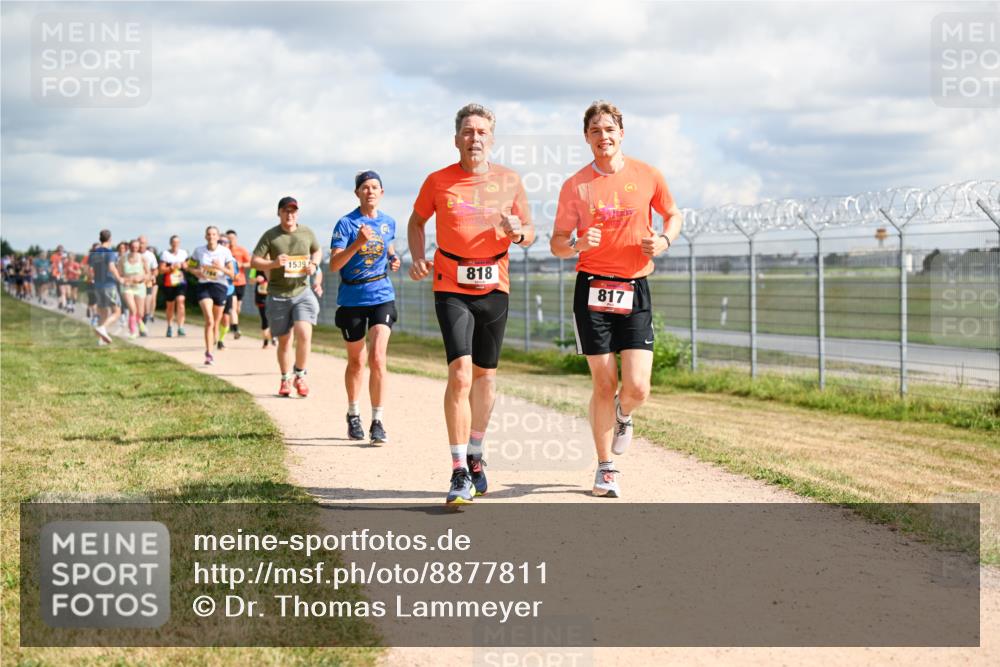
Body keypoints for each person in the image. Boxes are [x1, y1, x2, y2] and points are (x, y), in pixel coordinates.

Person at [550, 100, 682, 498]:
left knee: (638, 387)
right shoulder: (576, 186)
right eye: (595, 130)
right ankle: (606, 468)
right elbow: (556, 243)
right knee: (604, 382)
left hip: (634, 286)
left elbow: (673, 215)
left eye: (609, 129)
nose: (603, 137)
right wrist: (576, 243)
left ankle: (625, 415)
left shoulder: (648, 175)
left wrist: (663, 239)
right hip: (592, 288)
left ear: (621, 133)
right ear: (586, 137)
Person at [407, 103, 535, 504]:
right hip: (450, 282)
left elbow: (529, 233)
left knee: (486, 377)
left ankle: (476, 450)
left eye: (481, 131)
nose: (474, 138)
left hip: (494, 283)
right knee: (460, 375)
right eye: (467, 131)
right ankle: (459, 469)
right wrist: (417, 256)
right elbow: (416, 221)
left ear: (491, 138)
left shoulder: (510, 180)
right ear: (456, 138)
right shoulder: (437, 181)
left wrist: (517, 232)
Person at [329, 170, 401, 445]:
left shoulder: (388, 222)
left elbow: (388, 248)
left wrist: (393, 259)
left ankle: (378, 421)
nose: (370, 191)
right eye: (365, 187)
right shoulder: (346, 224)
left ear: (381, 193)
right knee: (357, 362)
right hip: (351, 300)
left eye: (375, 187)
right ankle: (353, 413)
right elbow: (335, 265)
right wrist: (358, 243)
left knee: (378, 358)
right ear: (357, 193)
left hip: (381, 294)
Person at [251, 196, 323, 397]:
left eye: (293, 211)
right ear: (279, 213)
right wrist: (273, 264)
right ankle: (285, 378)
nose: (289, 214)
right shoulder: (271, 236)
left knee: (304, 333)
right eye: (285, 211)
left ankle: (300, 374)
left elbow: (317, 251)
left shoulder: (306, 232)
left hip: (302, 292)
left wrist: (314, 265)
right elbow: (254, 261)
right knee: (284, 341)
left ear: (297, 213)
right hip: (278, 294)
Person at [190, 226, 236, 365]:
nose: (211, 236)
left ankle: (213, 346)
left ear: (218, 237)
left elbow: (232, 274)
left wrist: (219, 267)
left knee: (216, 322)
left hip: (220, 287)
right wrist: (196, 272)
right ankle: (209, 353)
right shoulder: (199, 251)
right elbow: (189, 266)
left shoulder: (225, 252)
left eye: (214, 234)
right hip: (204, 286)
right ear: (205, 236)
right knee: (209, 320)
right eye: (209, 234)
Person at [87, 229, 123, 345]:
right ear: (110, 239)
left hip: (97, 285)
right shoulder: (109, 252)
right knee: (117, 311)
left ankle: (101, 340)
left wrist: (91, 279)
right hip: (109, 285)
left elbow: (89, 270)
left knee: (103, 313)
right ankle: (102, 329)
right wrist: (120, 278)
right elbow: (112, 268)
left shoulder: (94, 253)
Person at [118, 239, 150, 338]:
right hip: (127, 287)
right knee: (132, 309)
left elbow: (148, 274)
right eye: (132, 247)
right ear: (129, 247)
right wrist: (124, 280)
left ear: (139, 248)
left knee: (140, 312)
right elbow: (119, 274)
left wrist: (141, 278)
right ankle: (132, 331)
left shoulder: (143, 258)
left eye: (136, 248)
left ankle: (139, 322)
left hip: (139, 287)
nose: (134, 249)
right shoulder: (123, 259)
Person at [159, 235, 188, 337]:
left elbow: (188, 266)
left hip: (180, 281)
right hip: (169, 282)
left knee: (180, 301)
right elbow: (161, 270)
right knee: (170, 305)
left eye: (177, 242)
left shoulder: (183, 253)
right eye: (173, 242)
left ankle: (180, 327)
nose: (175, 244)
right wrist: (171, 267)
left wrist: (184, 265)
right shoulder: (165, 254)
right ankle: (170, 326)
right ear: (170, 243)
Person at [226, 230, 252, 340]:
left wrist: (241, 264)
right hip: (229, 283)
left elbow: (250, 262)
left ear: (236, 239)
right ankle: (235, 328)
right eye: (229, 238)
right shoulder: (224, 250)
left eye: (232, 238)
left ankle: (233, 324)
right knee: (233, 306)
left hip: (241, 282)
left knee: (238, 308)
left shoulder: (242, 250)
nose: (231, 240)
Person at [138, 235, 158, 324]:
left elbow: (155, 269)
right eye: (139, 243)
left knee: (146, 303)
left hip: (147, 282)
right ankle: (139, 322)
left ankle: (146, 316)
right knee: (138, 305)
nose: (141, 245)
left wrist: (153, 275)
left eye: (142, 243)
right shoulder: (132, 254)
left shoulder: (150, 255)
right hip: (135, 283)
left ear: (146, 244)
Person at [253, 271, 275, 348]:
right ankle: (266, 341)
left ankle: (273, 337)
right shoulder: (255, 268)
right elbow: (250, 280)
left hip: (273, 296)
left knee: (273, 318)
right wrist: (256, 279)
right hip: (261, 297)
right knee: (264, 318)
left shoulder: (274, 266)